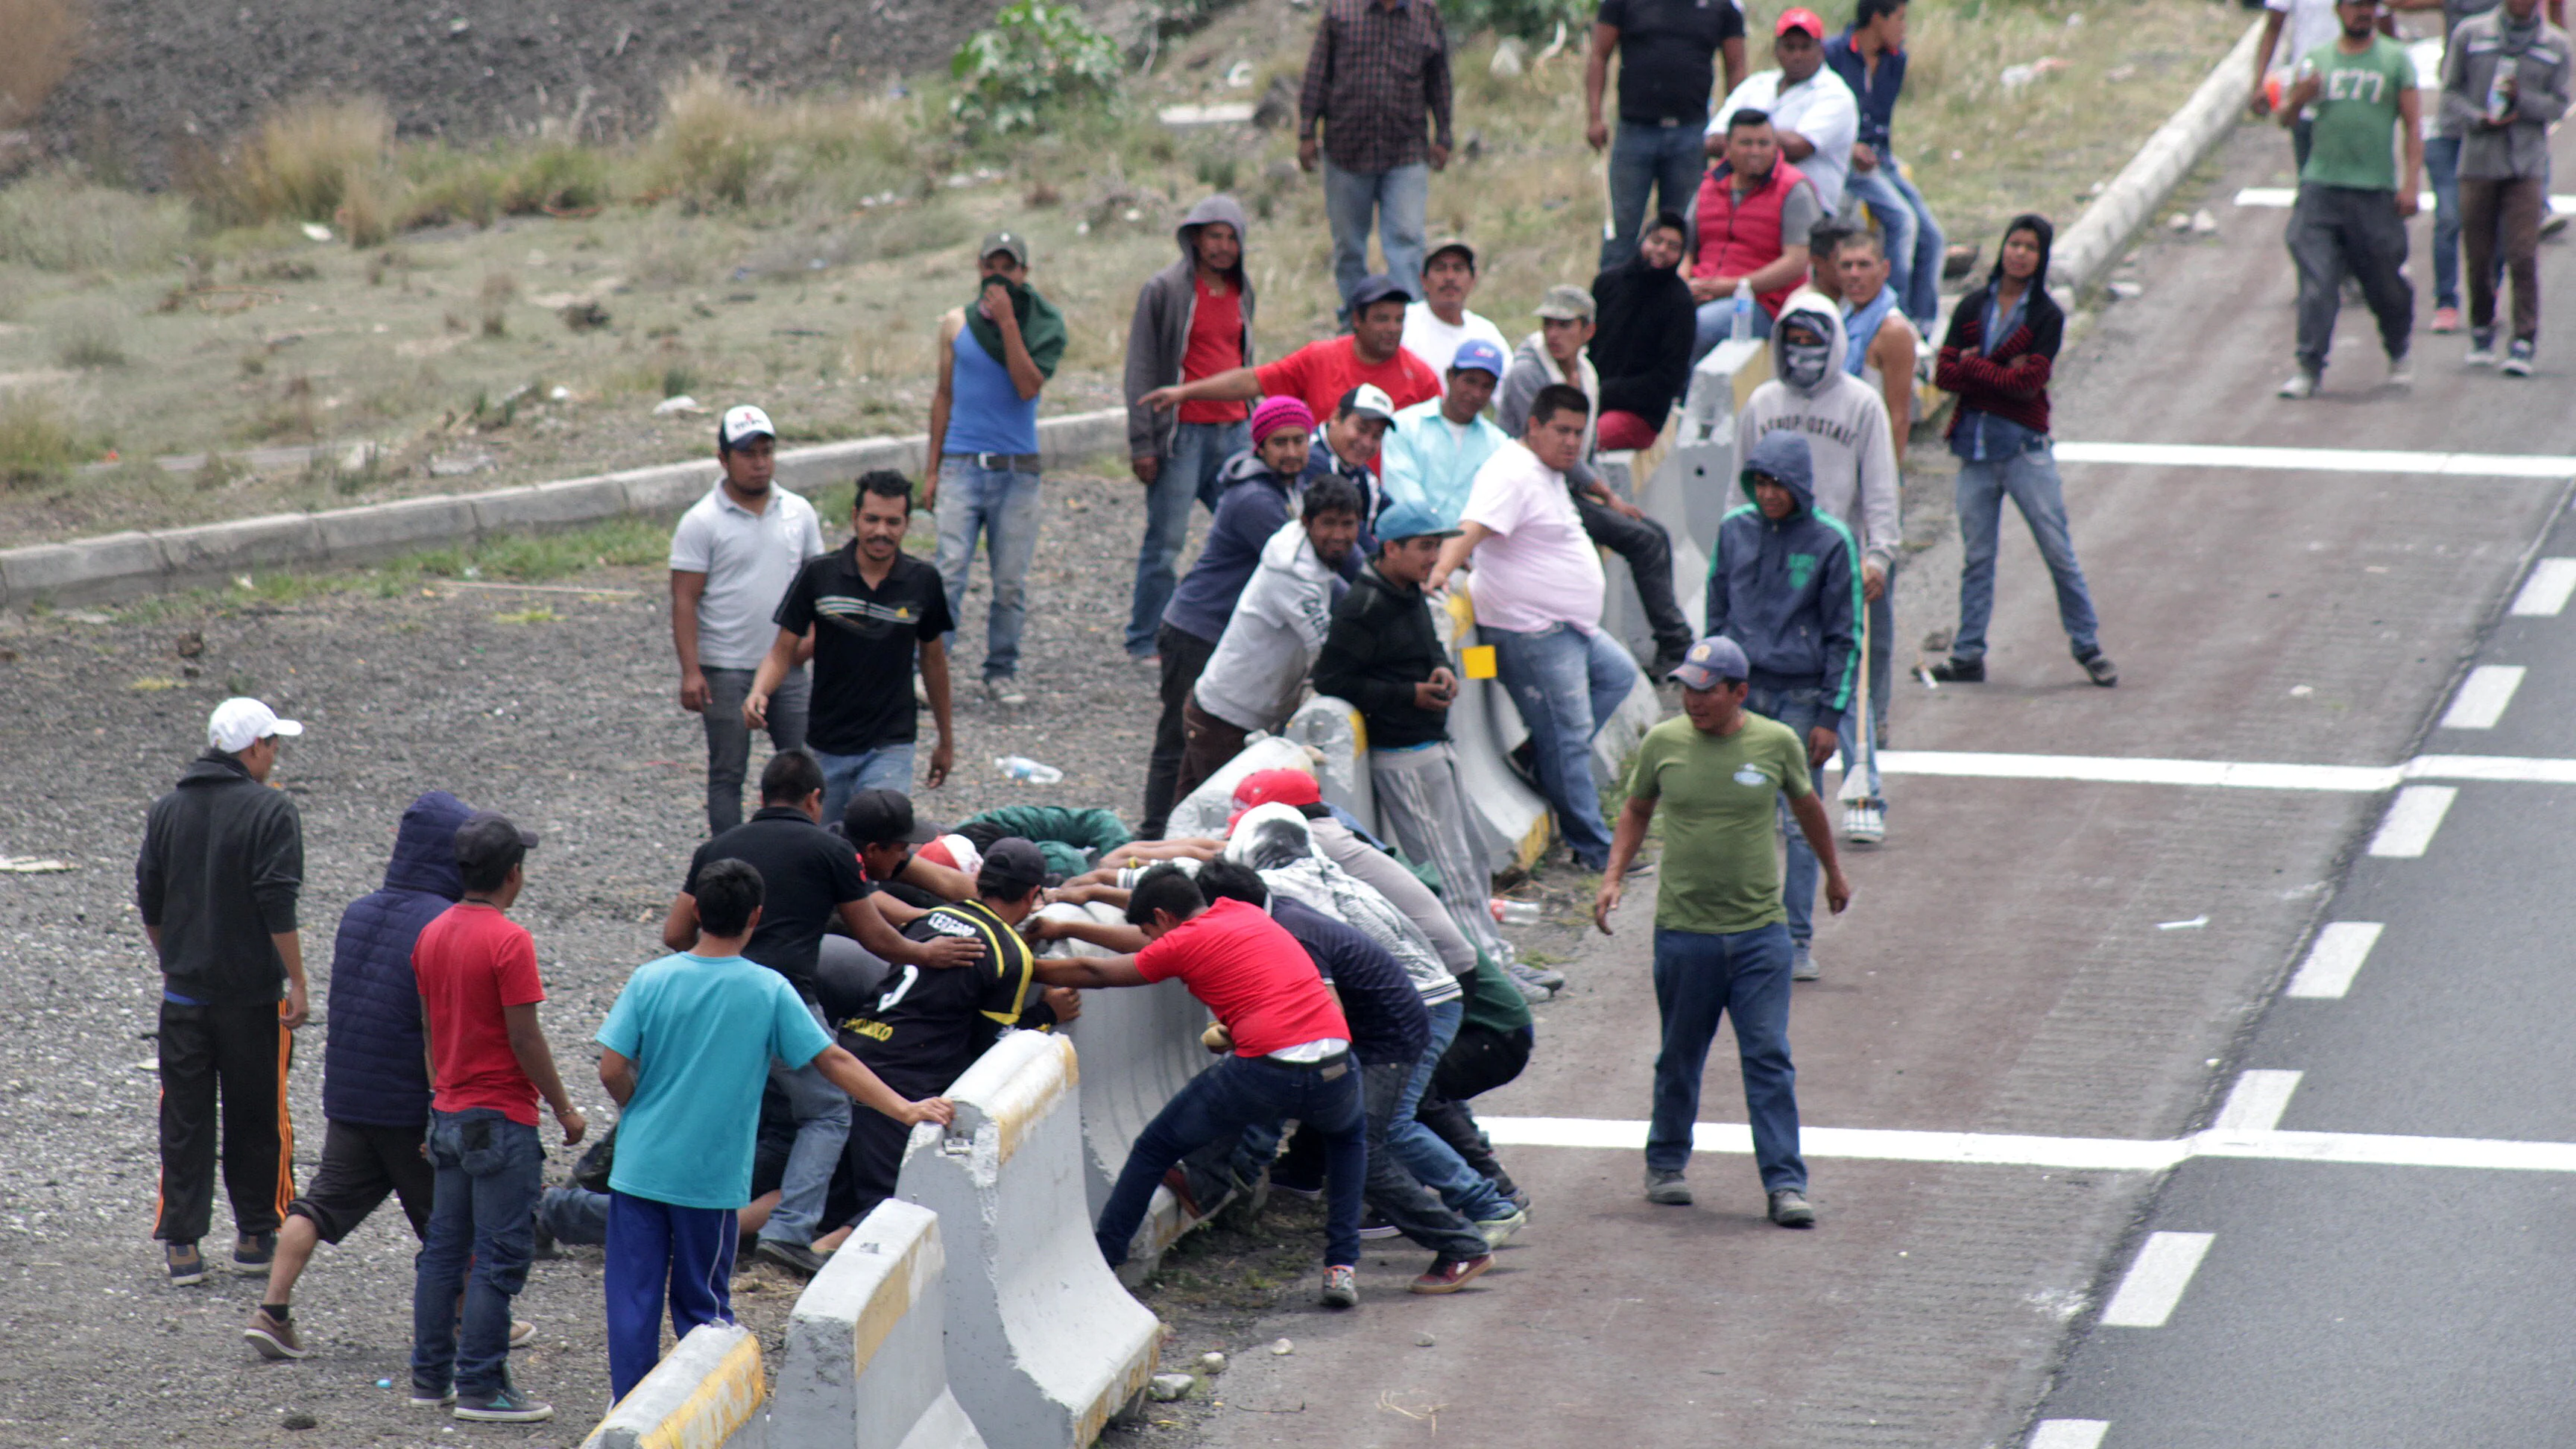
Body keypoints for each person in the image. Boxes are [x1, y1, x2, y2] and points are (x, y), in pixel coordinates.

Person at [597, 859, 954, 1404]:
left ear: (696, 910)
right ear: (756, 917)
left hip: (640, 1165)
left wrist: (640, 1109)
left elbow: (611, 1068)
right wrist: (904, 1109)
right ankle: (703, 1410)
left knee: (632, 1301)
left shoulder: (651, 979)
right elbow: (832, 1060)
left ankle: (629, 1411)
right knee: (704, 1307)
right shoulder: (768, 990)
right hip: (710, 1179)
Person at [654, 751, 970, 1278]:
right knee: (828, 1109)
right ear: (815, 799)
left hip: (711, 999)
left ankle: (603, 1209)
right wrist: (928, 953)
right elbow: (875, 936)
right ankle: (790, 1229)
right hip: (785, 1001)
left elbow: (674, 935)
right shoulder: (830, 851)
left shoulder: (717, 847)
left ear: (760, 796)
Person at [246, 792, 525, 1361]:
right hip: (408, 1099)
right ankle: (471, 1321)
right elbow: (438, 1024)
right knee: (451, 1218)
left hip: (349, 1091)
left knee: (321, 1205)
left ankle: (271, 1311)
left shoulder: (359, 910)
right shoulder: (441, 923)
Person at [1594, 635, 1850, 1227]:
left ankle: (1785, 1185)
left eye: (1706, 691)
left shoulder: (1776, 742)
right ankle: (1665, 1165)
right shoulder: (1663, 743)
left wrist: (1833, 874)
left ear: (1740, 692)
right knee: (1681, 1055)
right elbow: (1636, 808)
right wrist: (1613, 877)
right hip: (1685, 932)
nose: (1693, 700)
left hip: (1761, 933)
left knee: (1768, 1057)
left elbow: (1807, 807)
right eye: (1687, 687)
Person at [1034, 867, 1371, 1308]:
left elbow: (1094, 971)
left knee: (1154, 1148)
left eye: (1149, 931)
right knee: (1347, 1141)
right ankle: (1341, 1266)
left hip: (1267, 1068)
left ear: (1163, 917)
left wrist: (1014, 965)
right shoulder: (1246, 914)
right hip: (1336, 1059)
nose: (1152, 941)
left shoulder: (1183, 941)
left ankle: (1106, 1261)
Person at [1191, 862, 1496, 1294]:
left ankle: (1464, 1243)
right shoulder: (1276, 915)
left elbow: (1327, 1013)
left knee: (1362, 1150)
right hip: (1372, 1036)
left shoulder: (1289, 933)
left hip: (1386, 1044)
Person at [407, 812, 585, 1424]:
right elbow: (524, 1034)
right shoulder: (510, 941)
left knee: (444, 1251)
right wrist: (563, 1106)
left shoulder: (432, 933)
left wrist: (440, 1096)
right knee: (501, 1255)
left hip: (449, 1111)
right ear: (514, 873)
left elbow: (430, 1028)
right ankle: (482, 1384)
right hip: (500, 1117)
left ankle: (430, 1377)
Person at [1428, 385, 1640, 874]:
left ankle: (1535, 756)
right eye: (1561, 431)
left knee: (1618, 676)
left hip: (1568, 627)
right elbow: (1472, 527)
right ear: (1534, 427)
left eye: (1578, 433)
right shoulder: (1512, 471)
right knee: (1569, 735)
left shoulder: (1547, 468)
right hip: (1531, 632)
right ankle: (1593, 850)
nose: (1571, 442)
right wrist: (1439, 574)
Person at [1311, 512, 1529, 986]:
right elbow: (1332, 680)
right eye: (1426, 547)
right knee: (1447, 874)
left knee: (1470, 859)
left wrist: (1440, 670)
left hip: (1436, 746)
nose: (1436, 557)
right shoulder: (1364, 605)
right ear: (1391, 548)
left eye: (1437, 546)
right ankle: (1488, 979)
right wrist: (1407, 695)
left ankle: (1500, 959)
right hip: (1404, 757)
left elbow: (1428, 645)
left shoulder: (1408, 589)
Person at [818, 839, 1071, 1243]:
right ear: (1030, 895)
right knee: (897, 1202)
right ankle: (820, 1255)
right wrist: (1047, 1015)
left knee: (834, 1192)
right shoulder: (1011, 954)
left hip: (853, 1051)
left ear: (980, 882)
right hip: (902, 1077)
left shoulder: (933, 917)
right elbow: (993, 1049)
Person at [139, 696, 309, 1289]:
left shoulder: (166, 810)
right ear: (253, 748)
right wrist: (299, 979)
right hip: (253, 997)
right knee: (258, 1113)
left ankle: (183, 1242)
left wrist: (174, 962)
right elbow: (277, 900)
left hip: (184, 996)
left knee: (184, 1116)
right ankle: (257, 1232)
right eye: (273, 743)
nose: (276, 754)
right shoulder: (272, 812)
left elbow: (150, 899)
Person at [1734, 298, 1900, 847]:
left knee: (1843, 679)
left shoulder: (1862, 405)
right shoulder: (1762, 403)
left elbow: (1880, 486)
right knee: (1765, 681)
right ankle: (1764, 792)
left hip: (1837, 561)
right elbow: (1737, 488)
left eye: (1814, 342)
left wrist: (1879, 555)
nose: (1803, 353)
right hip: (1772, 565)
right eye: (1794, 341)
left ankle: (1864, 794)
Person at [1929, 215, 2118, 688]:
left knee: (2057, 552)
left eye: (2030, 248)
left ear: (2041, 257)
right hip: (1974, 449)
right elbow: (1944, 375)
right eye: (2013, 244)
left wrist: (1975, 366)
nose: (2019, 254)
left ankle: (2087, 645)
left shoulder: (2046, 317)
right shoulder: (1973, 305)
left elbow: (2028, 384)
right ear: (2002, 249)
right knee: (1977, 558)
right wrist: (1994, 371)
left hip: (2025, 453)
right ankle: (1968, 654)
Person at [1138, 397, 1336, 838]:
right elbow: (1318, 569)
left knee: (1187, 751)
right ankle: (1151, 836)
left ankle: (1161, 841)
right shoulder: (1254, 499)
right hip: (1199, 628)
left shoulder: (1295, 486)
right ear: (1259, 448)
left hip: (1227, 631)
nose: (1291, 451)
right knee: (1178, 741)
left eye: (1299, 441)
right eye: (1279, 442)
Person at [1704, 432, 1858, 982]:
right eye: (1761, 482)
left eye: (1779, 484)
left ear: (1800, 485)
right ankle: (1731, 929)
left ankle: (1795, 941)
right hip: (1742, 693)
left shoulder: (1832, 542)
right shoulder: (1733, 531)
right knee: (1731, 811)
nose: (1769, 494)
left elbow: (1846, 634)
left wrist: (1829, 717)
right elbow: (1716, 614)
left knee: (1799, 822)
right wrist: (1709, 688)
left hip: (1799, 698)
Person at [1497, 283, 1696, 675]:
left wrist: (1607, 497)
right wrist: (1608, 496)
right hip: (1539, 492)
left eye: (1564, 325)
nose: (1553, 334)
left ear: (1588, 331)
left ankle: (1673, 643)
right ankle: (1678, 644)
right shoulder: (1527, 373)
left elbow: (1587, 450)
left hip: (1572, 490)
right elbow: (1554, 451)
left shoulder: (1585, 371)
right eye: (1548, 324)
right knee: (1642, 540)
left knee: (1653, 534)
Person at [744, 470, 954, 824]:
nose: (881, 532)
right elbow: (782, 651)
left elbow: (934, 662)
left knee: (878, 837)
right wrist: (759, 692)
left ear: (907, 525)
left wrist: (946, 740)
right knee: (825, 846)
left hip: (891, 742)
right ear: (855, 517)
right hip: (827, 744)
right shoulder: (819, 575)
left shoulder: (923, 582)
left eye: (893, 522)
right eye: (872, 519)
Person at [669, 405, 827, 835]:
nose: (759, 463)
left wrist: (811, 642)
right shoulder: (701, 522)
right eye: (748, 454)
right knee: (727, 773)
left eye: (766, 452)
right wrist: (691, 671)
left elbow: (819, 584)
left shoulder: (799, 512)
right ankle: (728, 861)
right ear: (723, 459)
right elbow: (685, 600)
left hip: (788, 666)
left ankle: (804, 851)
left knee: (804, 769)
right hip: (727, 668)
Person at [924, 230, 1066, 708]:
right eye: (992, 265)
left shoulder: (1044, 325)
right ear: (979, 268)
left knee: (1009, 582)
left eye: (1010, 266)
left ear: (1024, 273)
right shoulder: (954, 324)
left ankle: (1000, 670)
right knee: (948, 574)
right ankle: (928, 669)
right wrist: (931, 469)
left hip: (1018, 471)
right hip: (962, 466)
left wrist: (1007, 323)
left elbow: (1028, 386)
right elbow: (943, 396)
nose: (999, 275)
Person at [1124, 196, 1258, 660]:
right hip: (1181, 436)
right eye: (1214, 236)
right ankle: (1145, 637)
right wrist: (1143, 440)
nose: (1222, 247)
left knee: (1247, 532)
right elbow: (1141, 365)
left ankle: (1228, 629)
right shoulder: (1164, 288)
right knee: (1166, 542)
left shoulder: (1245, 289)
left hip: (1236, 430)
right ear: (1195, 238)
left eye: (1231, 238)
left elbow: (1246, 360)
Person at [1178, 476, 1367, 800]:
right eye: (1329, 524)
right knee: (1222, 829)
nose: (1339, 535)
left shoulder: (1311, 552)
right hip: (1226, 720)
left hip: (1228, 711)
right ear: (1306, 522)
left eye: (1348, 524)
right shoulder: (1293, 572)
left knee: (1189, 823)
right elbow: (1327, 650)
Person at [2276, 0, 2423, 399]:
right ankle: (2309, 367)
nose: (2362, 13)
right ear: (2339, 11)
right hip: (2322, 188)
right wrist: (2299, 98)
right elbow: (2285, 119)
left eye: (2368, 6)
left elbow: (2413, 125)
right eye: (2355, 6)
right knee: (2317, 282)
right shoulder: (2317, 60)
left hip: (2373, 191)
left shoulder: (2395, 60)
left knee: (2384, 283)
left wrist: (2410, 184)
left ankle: (2398, 351)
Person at [1298, 0, 1455, 321]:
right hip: (1347, 149)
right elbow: (1317, 73)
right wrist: (1306, 131)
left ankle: (1407, 324)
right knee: (1349, 246)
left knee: (1406, 240)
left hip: (1406, 150)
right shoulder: (1340, 12)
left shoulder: (1425, 14)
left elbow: (1439, 78)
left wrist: (1444, 134)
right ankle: (1354, 322)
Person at [2440, 0, 2569, 374]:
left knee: (2523, 254)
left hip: (2526, 164)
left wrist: (2522, 102)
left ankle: (2524, 339)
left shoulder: (2555, 45)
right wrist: (2478, 117)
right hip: (2479, 161)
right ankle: (2482, 328)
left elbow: (2560, 105)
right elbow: (2449, 94)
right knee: (2479, 254)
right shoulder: (2472, 34)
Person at [1144, 274, 1441, 432]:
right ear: (1357, 321)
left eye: (1399, 319)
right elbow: (1253, 381)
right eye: (1381, 318)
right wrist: (1184, 393)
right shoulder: (1320, 358)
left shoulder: (1421, 377)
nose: (1392, 328)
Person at [1587, 0, 1749, 269]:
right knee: (1621, 230)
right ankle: (1613, 304)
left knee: (1680, 231)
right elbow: (1599, 55)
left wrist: (1733, 128)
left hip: (1691, 132)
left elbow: (1736, 66)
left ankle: (1671, 304)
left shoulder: (1723, 6)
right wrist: (1594, 117)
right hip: (1634, 130)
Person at [1825, 0, 1949, 331]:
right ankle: (1894, 317)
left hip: (1881, 160)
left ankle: (1923, 325)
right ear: (1877, 19)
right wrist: (1850, 146)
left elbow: (1882, 121)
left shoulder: (1896, 59)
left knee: (1933, 237)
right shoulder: (1833, 54)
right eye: (1900, 18)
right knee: (1902, 222)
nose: (1903, 28)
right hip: (1847, 162)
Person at [1689, 111, 1825, 357]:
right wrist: (1682, 283)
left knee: (1698, 327)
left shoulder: (1795, 189)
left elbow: (1797, 262)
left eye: (1763, 143)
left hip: (1761, 304)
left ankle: (1685, 395)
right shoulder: (1709, 185)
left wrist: (1732, 287)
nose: (1755, 151)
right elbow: (1686, 246)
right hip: (1701, 288)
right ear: (1728, 146)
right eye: (1746, 143)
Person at [1713, 10, 1860, 213]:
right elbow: (1711, 141)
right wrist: (1772, 140)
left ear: (1821, 50)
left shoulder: (1836, 94)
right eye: (1789, 47)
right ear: (1776, 49)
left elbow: (1798, 148)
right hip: (1745, 204)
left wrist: (1741, 139)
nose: (1797, 55)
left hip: (1810, 210)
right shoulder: (1756, 84)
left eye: (1805, 47)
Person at [1589, 210, 1699, 449]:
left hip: (1640, 415)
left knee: (1585, 439)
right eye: (1657, 240)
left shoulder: (1680, 304)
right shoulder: (1607, 284)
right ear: (1644, 239)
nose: (1661, 250)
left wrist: (1606, 392)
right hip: (1590, 397)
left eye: (1673, 246)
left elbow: (1668, 379)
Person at [1378, 339, 1511, 525]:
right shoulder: (1404, 426)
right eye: (1470, 381)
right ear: (1450, 376)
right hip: (1411, 542)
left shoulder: (1499, 444)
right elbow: (1405, 497)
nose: (1476, 393)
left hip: (1470, 550)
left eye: (1486, 386)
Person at [1832, 230, 1922, 452]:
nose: (1854, 274)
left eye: (1864, 265)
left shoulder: (1893, 331)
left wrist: (1889, 480)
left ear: (1885, 269)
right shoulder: (1843, 321)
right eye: (1846, 266)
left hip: (1871, 450)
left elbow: (1899, 416)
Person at [2254, 0, 2346, 169]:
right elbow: (2274, 25)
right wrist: (2259, 83)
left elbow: (2384, 22)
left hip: (2355, 88)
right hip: (2307, 86)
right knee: (2309, 171)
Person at [1400, 239, 1511, 373]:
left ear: (1473, 279)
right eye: (1440, 269)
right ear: (1423, 280)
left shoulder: (1487, 333)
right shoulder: (1403, 323)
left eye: (1459, 269)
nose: (1450, 277)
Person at [1302, 384, 1398, 522]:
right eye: (1362, 429)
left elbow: (1392, 518)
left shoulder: (1362, 474)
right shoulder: (1308, 456)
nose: (1367, 443)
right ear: (1336, 417)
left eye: (1377, 436)